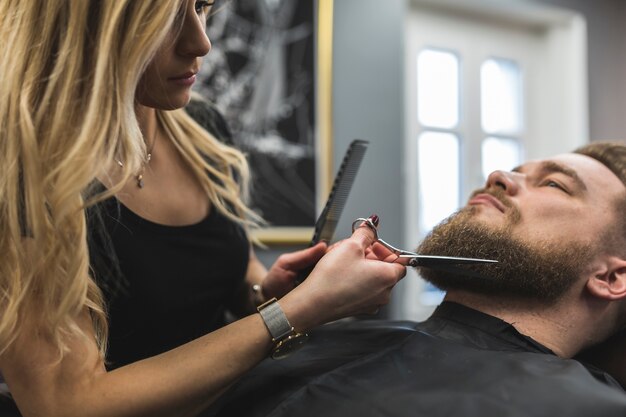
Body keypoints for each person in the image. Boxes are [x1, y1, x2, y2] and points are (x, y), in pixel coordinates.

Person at [0, 1, 406, 416]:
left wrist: (266, 294)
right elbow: (67, 404)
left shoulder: (202, 133)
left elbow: (235, 275)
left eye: (201, 6)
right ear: (82, 26)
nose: (202, 41)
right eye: (165, 19)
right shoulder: (20, 168)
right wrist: (300, 309)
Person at [203, 141, 626, 417]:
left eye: (553, 184)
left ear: (611, 276)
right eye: (515, 169)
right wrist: (286, 311)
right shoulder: (317, 326)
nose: (499, 175)